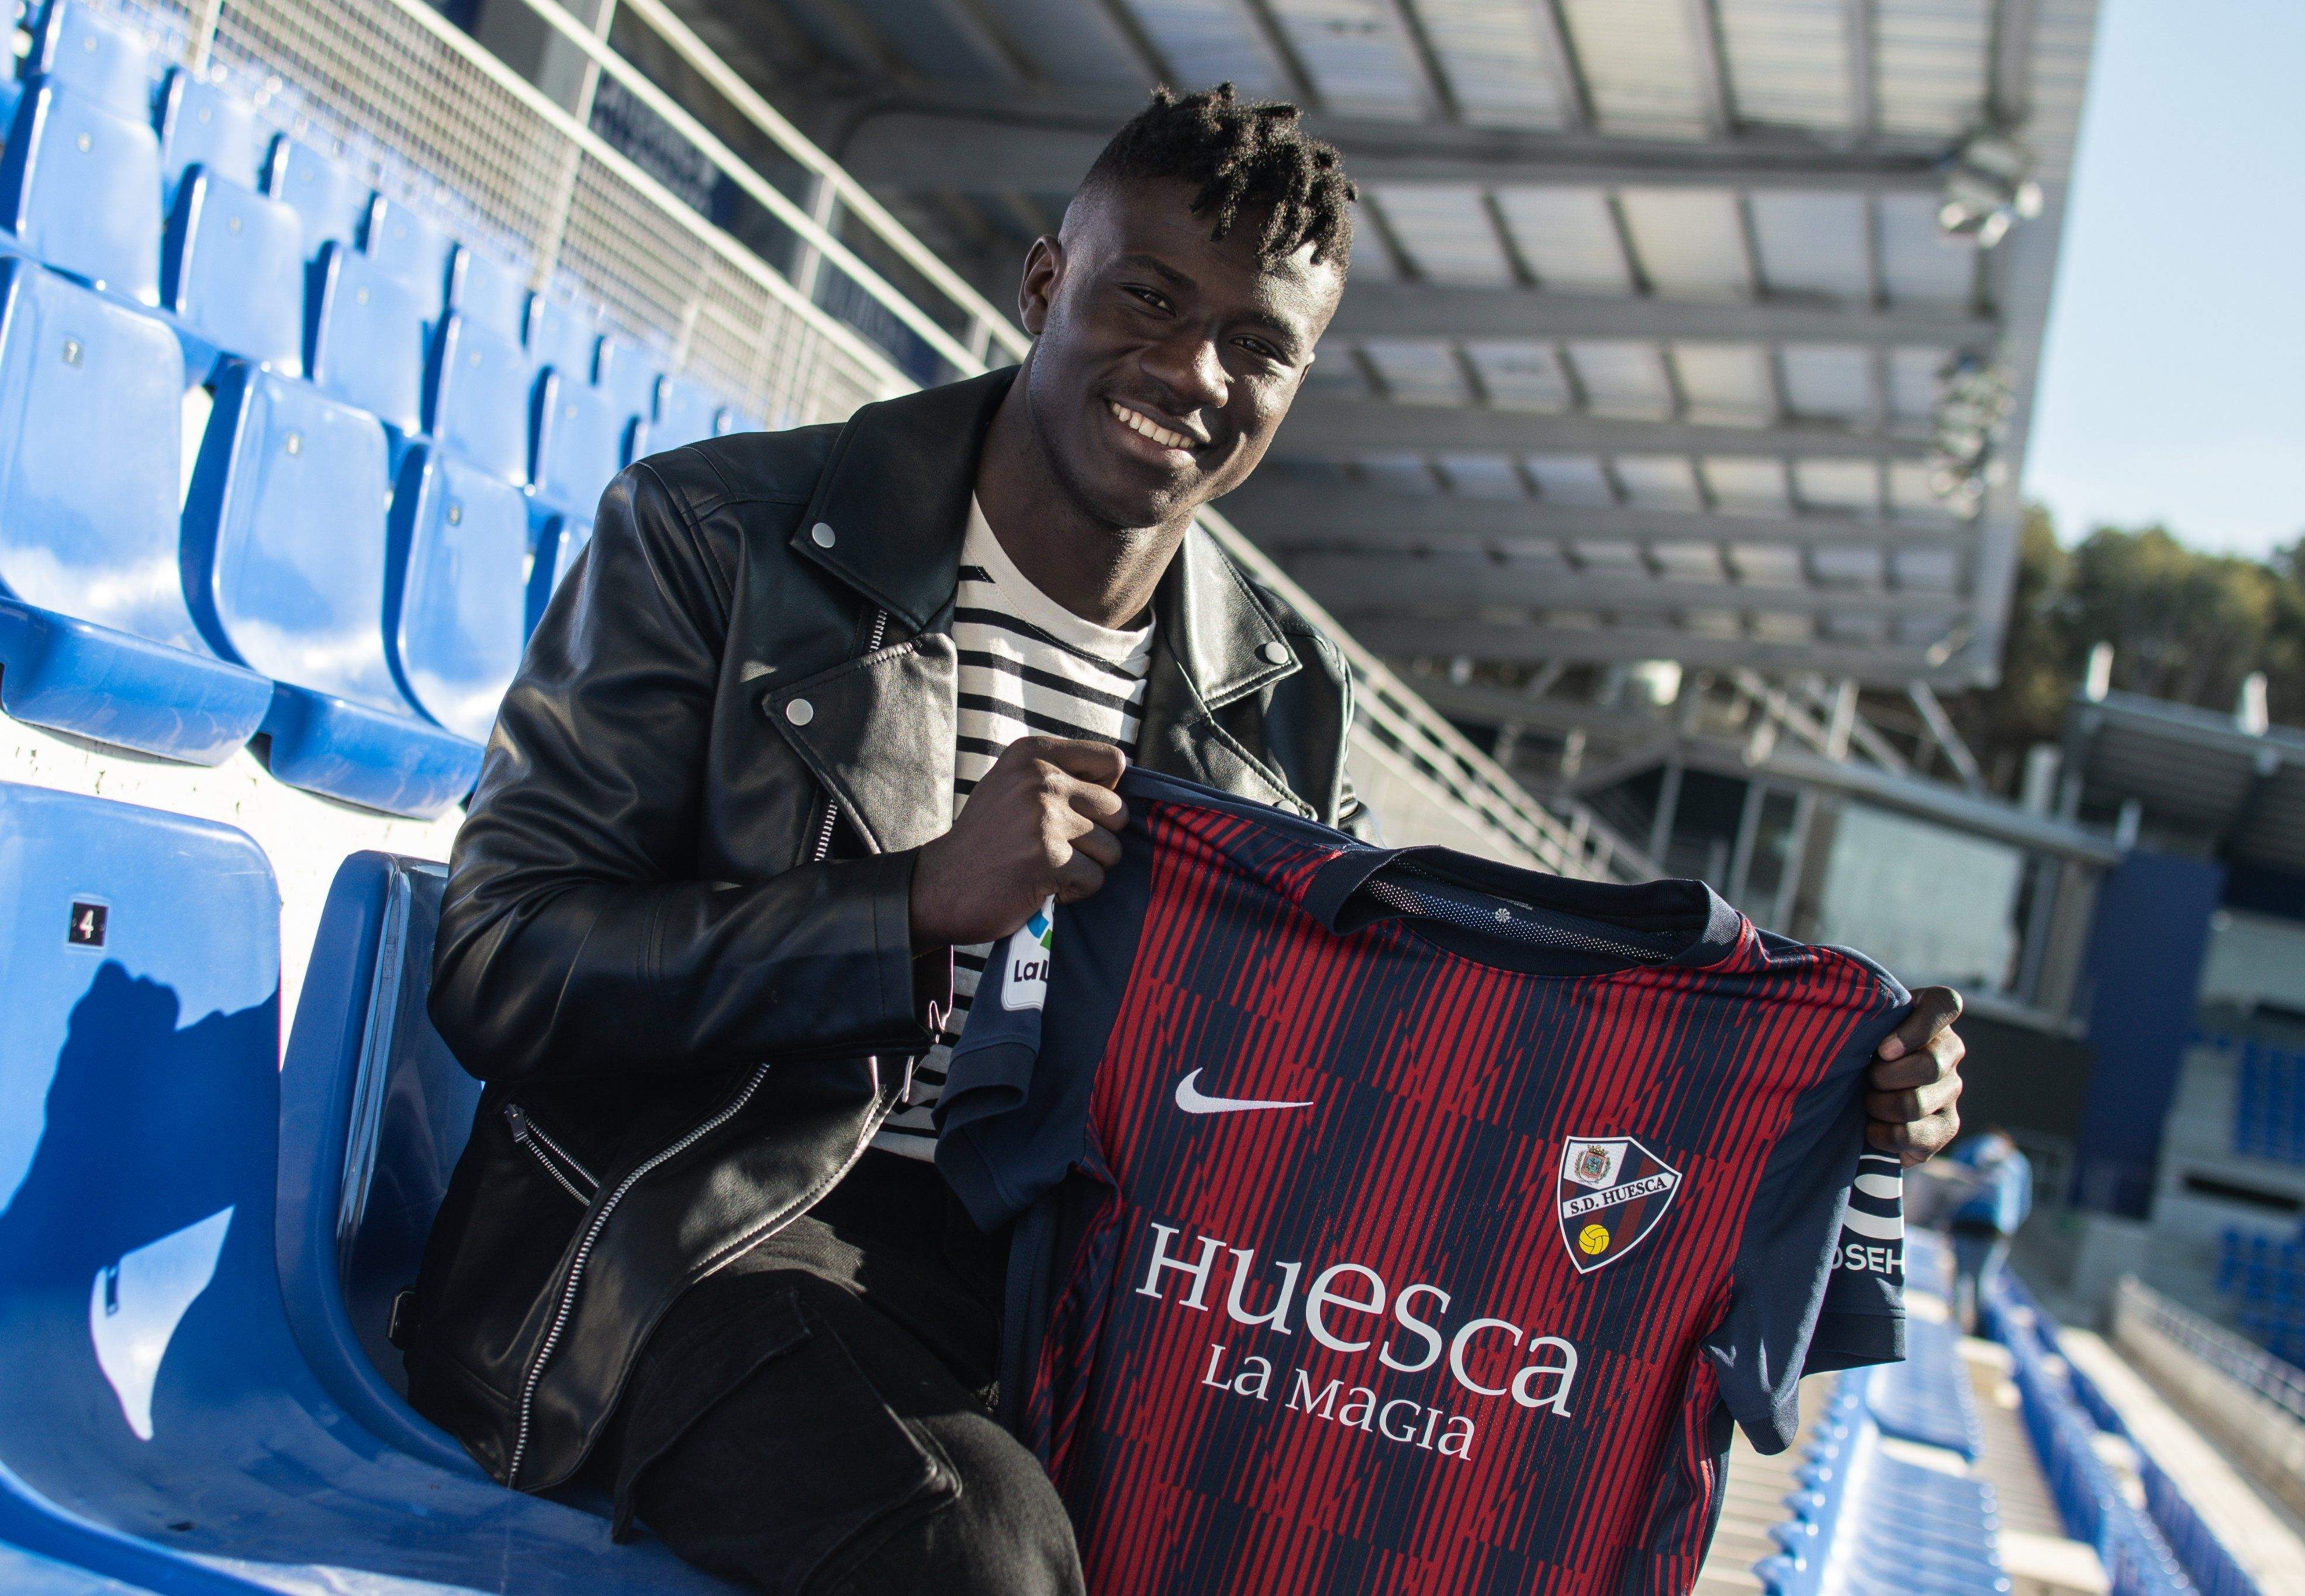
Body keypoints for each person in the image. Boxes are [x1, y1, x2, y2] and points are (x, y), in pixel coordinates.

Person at [401, 84, 1970, 1595]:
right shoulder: (715, 534)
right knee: (979, 1558)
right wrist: (914, 905)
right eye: (1149, 297)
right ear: (1044, 280)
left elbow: (1371, 1052)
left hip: (1066, 1283)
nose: (1193, 367)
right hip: (695, 1228)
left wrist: (1821, 1102)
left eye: (1256, 344)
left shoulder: (1275, 689)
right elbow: (503, 960)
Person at [1945, 1128, 2031, 1334]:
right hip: (1996, 1227)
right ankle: (1981, 1332)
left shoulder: (1969, 1148)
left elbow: (1952, 1183)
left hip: (1965, 1220)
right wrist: (2009, 1227)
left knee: (1961, 1277)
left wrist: (1947, 1217)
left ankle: (1955, 1329)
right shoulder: (2018, 1162)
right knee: (1984, 1281)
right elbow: (2023, 1204)